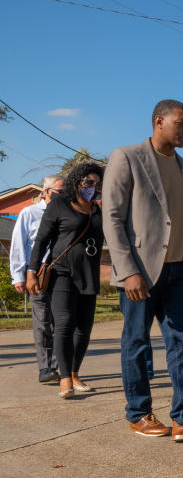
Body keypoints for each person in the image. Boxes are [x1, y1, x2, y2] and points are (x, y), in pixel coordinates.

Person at [102, 99, 183, 441]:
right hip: (140, 272)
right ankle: (139, 413)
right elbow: (112, 219)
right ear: (159, 121)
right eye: (181, 123)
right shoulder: (126, 158)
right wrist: (128, 270)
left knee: (182, 342)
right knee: (137, 342)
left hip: (180, 271)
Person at [25, 163, 104, 399]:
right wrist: (31, 272)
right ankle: (65, 379)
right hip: (62, 272)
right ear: (76, 181)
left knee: (84, 329)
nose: (93, 188)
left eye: (97, 185)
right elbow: (41, 241)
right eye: (88, 182)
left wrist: (103, 207)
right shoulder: (59, 205)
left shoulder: (98, 210)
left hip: (89, 274)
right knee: (65, 322)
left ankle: (74, 372)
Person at [9, 175, 65, 384]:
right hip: (38, 276)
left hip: (61, 275)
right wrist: (19, 276)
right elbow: (18, 245)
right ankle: (45, 368)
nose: (63, 196)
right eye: (60, 192)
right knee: (42, 322)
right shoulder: (29, 213)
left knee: (60, 322)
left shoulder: (66, 213)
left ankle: (60, 368)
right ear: (47, 191)